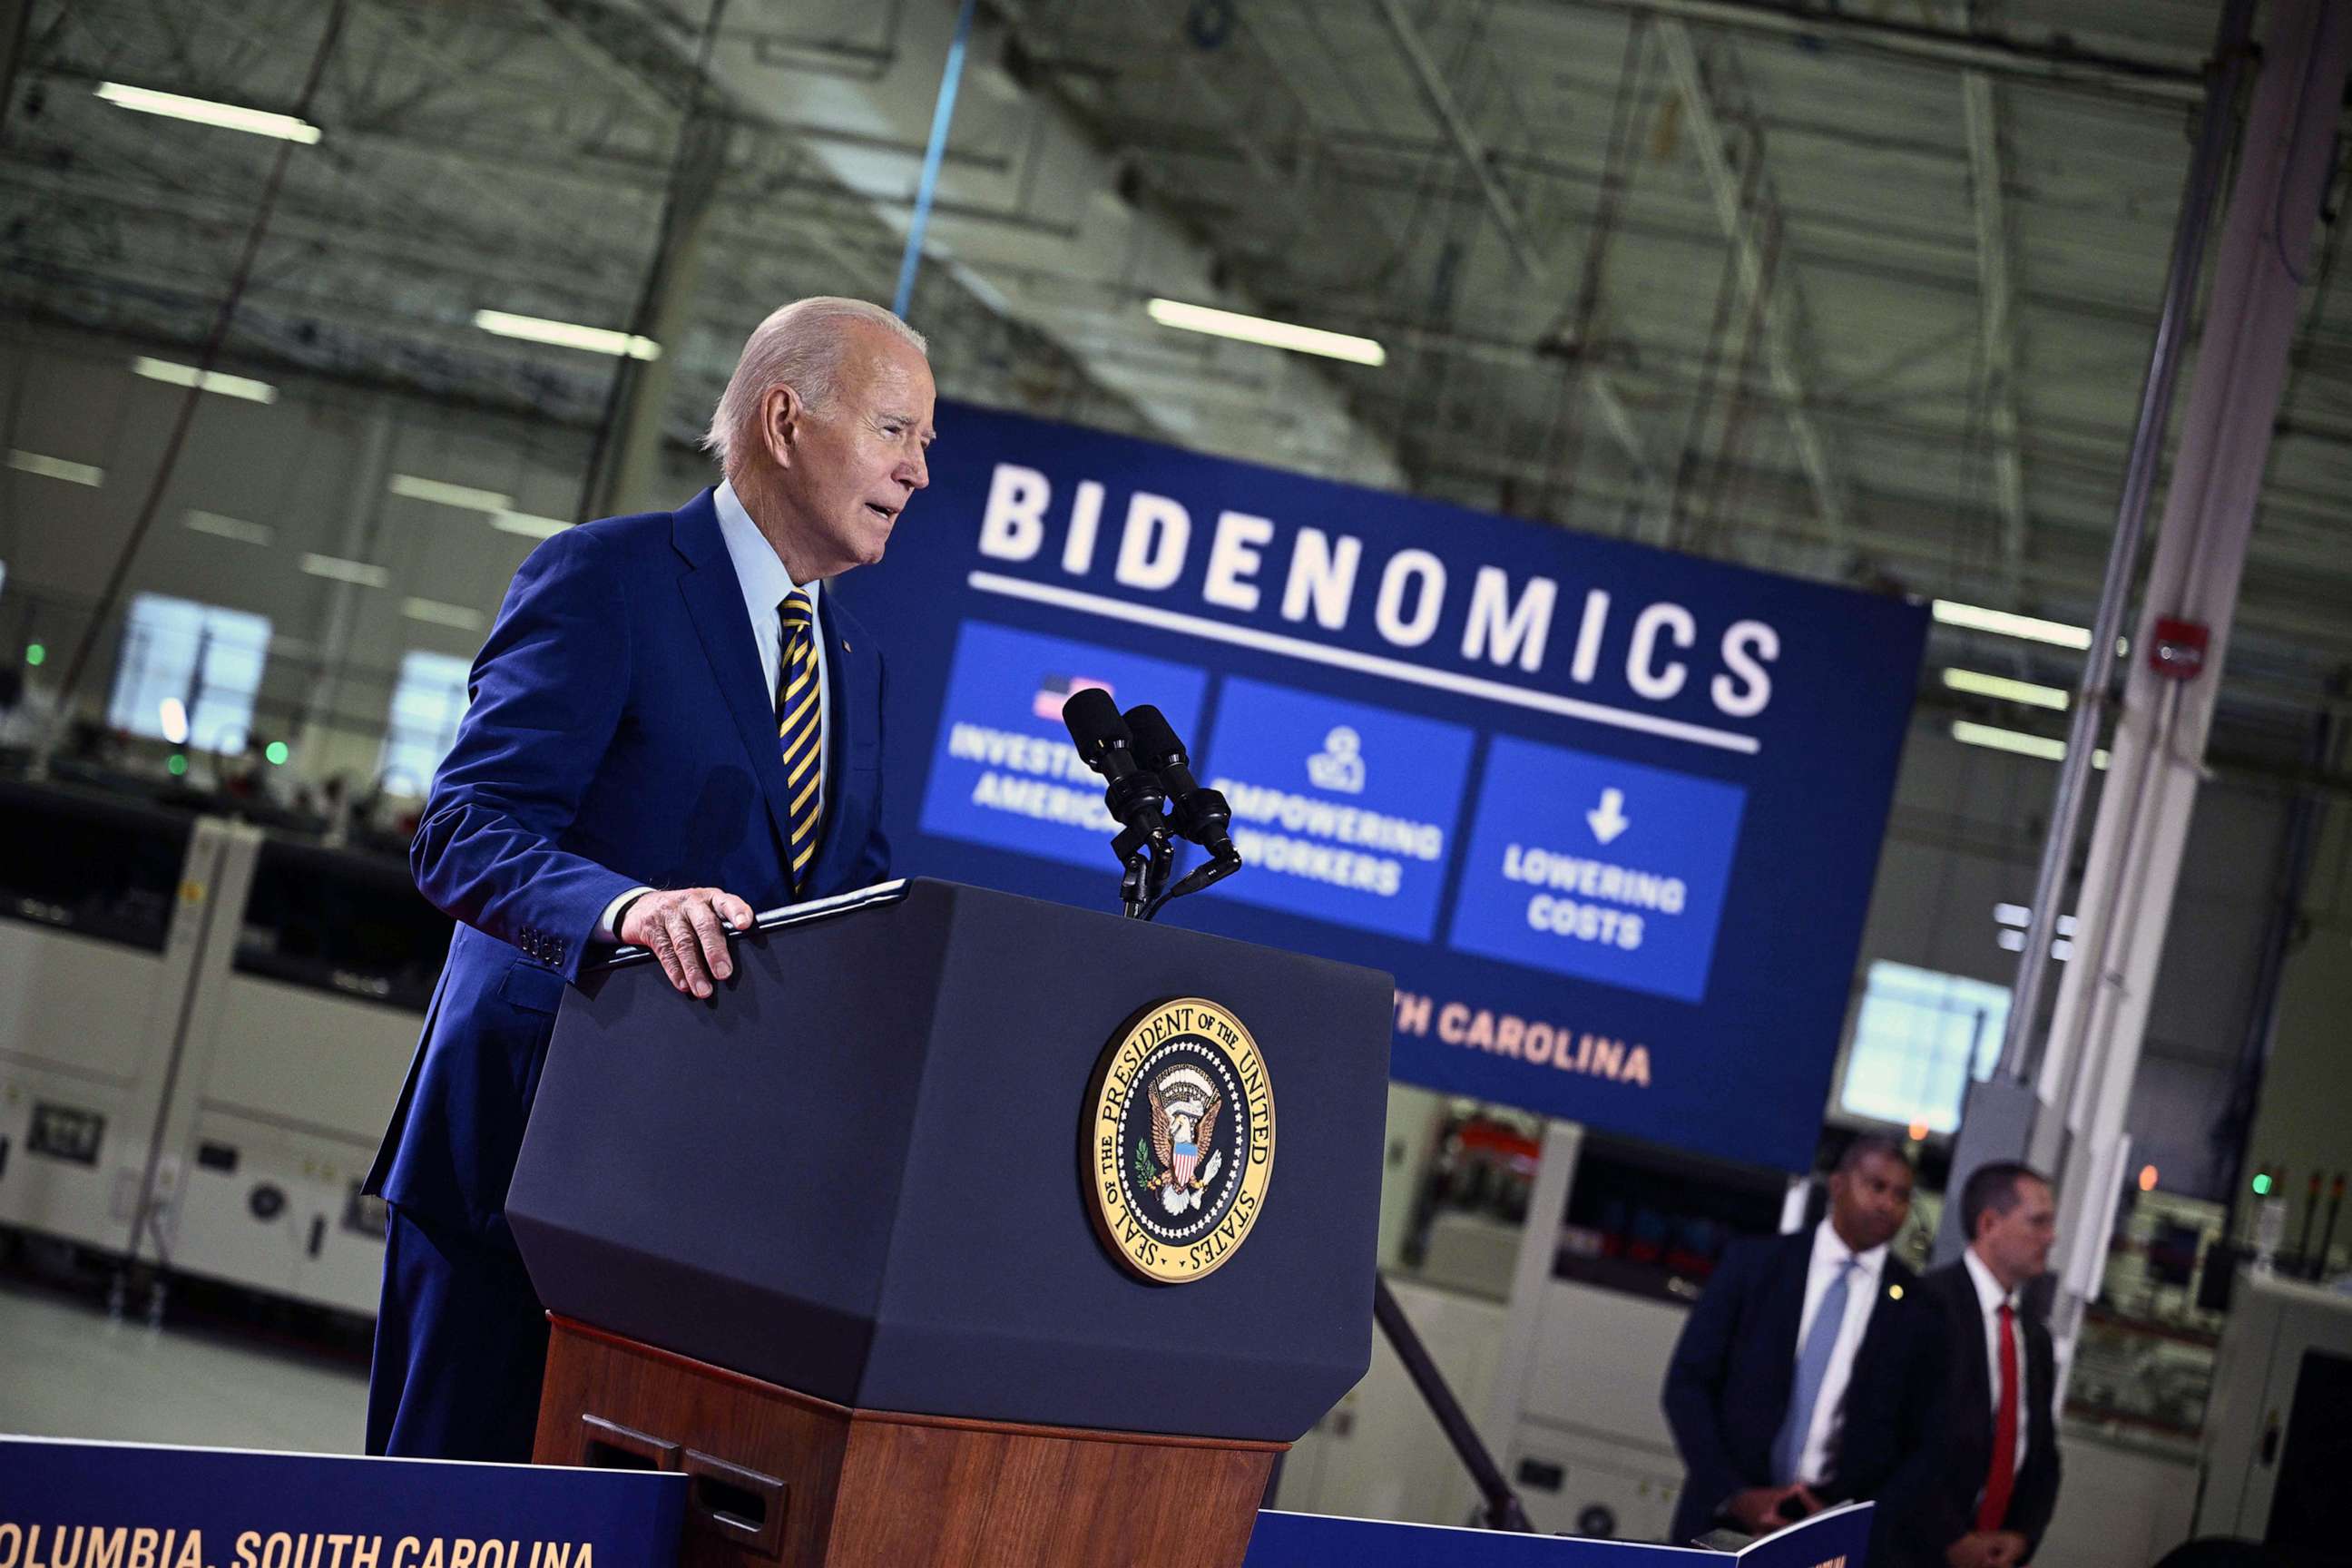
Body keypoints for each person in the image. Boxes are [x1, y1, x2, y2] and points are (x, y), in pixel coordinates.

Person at [360, 297, 934, 1461]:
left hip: (704, 1204)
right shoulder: (607, 579)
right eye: (894, 432)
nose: (918, 473)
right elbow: (464, 828)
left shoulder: (855, 664)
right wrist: (627, 910)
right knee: (455, 1522)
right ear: (784, 420)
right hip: (523, 1155)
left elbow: (845, 915)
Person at [1662, 1135, 1928, 1541]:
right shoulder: (1755, 1265)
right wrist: (1734, 1494)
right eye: (1876, 1186)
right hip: (1722, 1517)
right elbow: (1687, 1385)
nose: (1888, 1205)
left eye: (1901, 1195)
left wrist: (1848, 1520)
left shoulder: (1915, 1306)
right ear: (1838, 1185)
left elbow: (1916, 1439)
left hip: (1828, 1534)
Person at [1879, 1161, 2062, 1568]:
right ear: (1989, 1224)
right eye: (2038, 1222)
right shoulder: (1924, 1306)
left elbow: (2042, 1455)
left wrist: (2021, 1537)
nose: (2052, 1237)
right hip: (1909, 1554)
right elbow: (1893, 1440)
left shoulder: (2034, 1338)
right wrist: (1950, 1539)